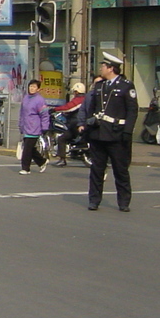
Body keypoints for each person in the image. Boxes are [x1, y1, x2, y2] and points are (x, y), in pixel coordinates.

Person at [78, 53, 138, 211]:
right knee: (97, 169)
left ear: (111, 68)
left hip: (117, 134)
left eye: (103, 66)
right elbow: (92, 109)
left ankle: (124, 201)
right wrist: (88, 127)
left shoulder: (126, 86)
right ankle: (94, 199)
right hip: (98, 134)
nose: (100, 69)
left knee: (120, 170)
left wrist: (128, 132)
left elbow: (132, 111)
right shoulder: (99, 86)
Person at [18, 79, 51, 174]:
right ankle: (42, 161)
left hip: (34, 127)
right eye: (30, 86)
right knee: (30, 149)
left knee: (27, 149)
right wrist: (20, 125)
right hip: (26, 127)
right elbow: (22, 113)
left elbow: (44, 115)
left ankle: (25, 168)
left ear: (38, 89)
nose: (32, 88)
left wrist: (45, 127)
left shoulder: (40, 100)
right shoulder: (25, 98)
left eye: (34, 87)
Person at [51, 81, 86, 166]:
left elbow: (68, 107)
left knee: (62, 138)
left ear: (77, 91)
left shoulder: (79, 99)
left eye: (74, 91)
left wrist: (55, 109)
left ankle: (62, 159)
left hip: (76, 123)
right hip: (79, 122)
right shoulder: (85, 98)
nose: (74, 93)